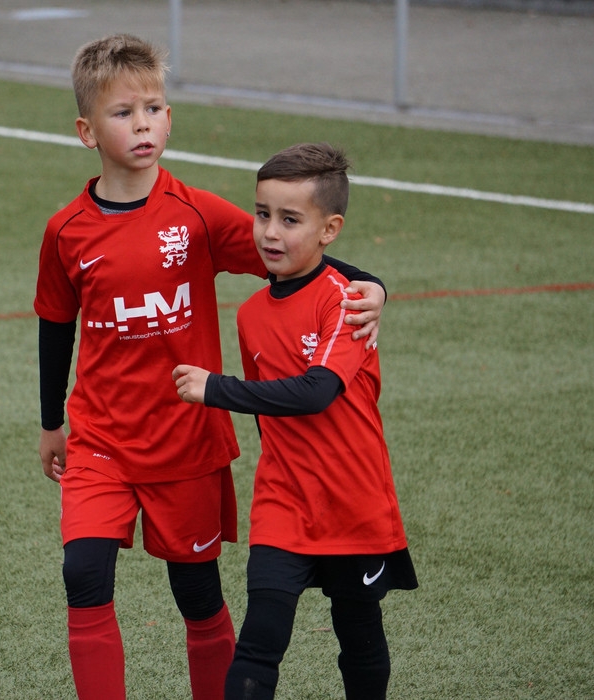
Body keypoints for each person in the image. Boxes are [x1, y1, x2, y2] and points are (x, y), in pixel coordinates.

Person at [34, 37, 388, 700]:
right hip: (100, 439)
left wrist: (375, 287)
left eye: (153, 108)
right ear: (87, 131)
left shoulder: (196, 215)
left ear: (169, 119)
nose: (142, 124)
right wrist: (52, 422)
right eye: (123, 113)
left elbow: (298, 259)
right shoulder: (66, 231)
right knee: (83, 574)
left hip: (187, 443)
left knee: (196, 593)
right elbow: (56, 326)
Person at [172, 142, 417, 700]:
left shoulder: (346, 302)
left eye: (289, 220)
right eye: (262, 214)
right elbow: (270, 413)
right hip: (283, 502)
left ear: (330, 229)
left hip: (352, 502)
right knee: (260, 641)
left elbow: (317, 392)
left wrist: (216, 389)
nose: (270, 233)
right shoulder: (250, 314)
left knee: (358, 632)